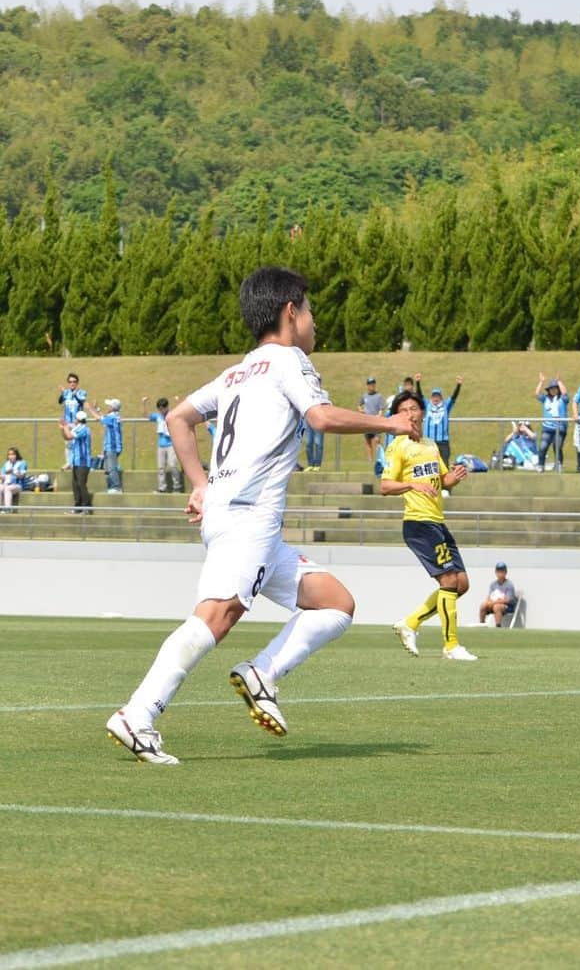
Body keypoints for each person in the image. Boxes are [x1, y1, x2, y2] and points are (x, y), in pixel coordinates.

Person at [105, 266, 414, 764]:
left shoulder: (237, 372)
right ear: (290, 312)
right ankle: (138, 715)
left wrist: (201, 485)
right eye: (309, 310)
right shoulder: (288, 360)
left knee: (335, 604)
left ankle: (263, 673)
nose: (314, 321)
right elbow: (320, 417)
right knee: (218, 615)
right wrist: (392, 422)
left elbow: (178, 418)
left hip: (246, 520)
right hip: (247, 517)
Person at [383, 390, 476, 661]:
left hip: (437, 520)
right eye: (404, 410)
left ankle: (410, 623)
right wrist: (411, 484)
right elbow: (385, 486)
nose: (410, 414)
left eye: (414, 408)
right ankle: (451, 646)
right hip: (418, 522)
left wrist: (454, 477)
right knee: (448, 580)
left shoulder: (431, 445)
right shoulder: (398, 445)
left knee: (461, 584)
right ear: (397, 417)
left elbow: (443, 480)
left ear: (422, 412)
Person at [142, 395, 183, 493]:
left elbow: (181, 413)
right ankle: (162, 487)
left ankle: (177, 486)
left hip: (171, 444)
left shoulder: (172, 415)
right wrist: (143, 403)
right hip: (161, 445)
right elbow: (146, 415)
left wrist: (178, 401)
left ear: (167, 407)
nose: (161, 411)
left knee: (172, 465)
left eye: (163, 408)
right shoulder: (158, 416)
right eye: (159, 409)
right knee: (160, 467)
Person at [58, 410, 93, 514]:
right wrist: (62, 429)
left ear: (78, 419)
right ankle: (78, 507)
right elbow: (66, 437)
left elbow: (69, 436)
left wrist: (65, 426)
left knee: (81, 484)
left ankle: (86, 507)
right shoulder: (77, 428)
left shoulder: (83, 429)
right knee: (75, 485)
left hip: (83, 462)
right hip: (76, 462)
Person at [422, 378, 462, 466]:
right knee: (428, 464)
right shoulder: (427, 405)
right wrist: (417, 382)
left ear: (441, 398)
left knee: (444, 464)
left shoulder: (446, 406)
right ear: (431, 397)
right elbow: (419, 395)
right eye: (434, 396)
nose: (436, 398)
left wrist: (458, 385)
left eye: (438, 396)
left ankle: (444, 480)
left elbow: (453, 397)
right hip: (429, 441)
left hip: (443, 441)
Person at [535, 375, 569, 471]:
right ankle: (541, 465)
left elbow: (565, 393)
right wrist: (541, 382)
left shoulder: (562, 399)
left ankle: (558, 464)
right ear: (548, 390)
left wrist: (559, 382)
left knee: (557, 446)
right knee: (543, 446)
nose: (553, 390)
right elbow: (537, 394)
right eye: (551, 389)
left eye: (555, 388)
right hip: (547, 427)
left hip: (560, 427)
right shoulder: (545, 399)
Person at [92, 398, 124, 493]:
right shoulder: (114, 416)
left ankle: (116, 487)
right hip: (111, 446)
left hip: (112, 446)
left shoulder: (112, 417)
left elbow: (99, 418)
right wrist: (97, 409)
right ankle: (111, 487)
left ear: (113, 408)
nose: (108, 407)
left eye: (109, 406)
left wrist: (90, 409)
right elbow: (104, 417)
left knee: (111, 468)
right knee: (108, 468)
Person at [58, 372, 87, 469]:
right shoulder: (66, 392)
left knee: (76, 443)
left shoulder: (81, 392)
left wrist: (75, 394)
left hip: (76, 422)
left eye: (74, 381)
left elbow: (81, 401)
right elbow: (60, 401)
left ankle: (75, 462)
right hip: (67, 421)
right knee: (67, 444)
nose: (72, 383)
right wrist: (62, 393)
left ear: (77, 382)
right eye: (70, 381)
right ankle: (68, 463)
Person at [478, 561, 517, 627]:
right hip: (493, 603)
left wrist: (494, 602)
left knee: (497, 607)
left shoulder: (509, 585)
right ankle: (482, 624)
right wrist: (488, 601)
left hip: (507, 606)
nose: (500, 573)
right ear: (496, 572)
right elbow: (490, 596)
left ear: (505, 572)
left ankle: (498, 626)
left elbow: (508, 600)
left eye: (502, 571)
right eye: (498, 571)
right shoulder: (493, 584)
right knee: (483, 605)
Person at [358, 377, 385, 466]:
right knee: (368, 441)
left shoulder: (379, 396)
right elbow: (359, 405)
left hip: (376, 422)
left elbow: (381, 409)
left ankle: (379, 459)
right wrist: (361, 411)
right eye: (370, 384)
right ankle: (370, 460)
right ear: (367, 386)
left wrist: (379, 415)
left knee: (377, 440)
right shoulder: (364, 396)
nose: (371, 386)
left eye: (373, 384)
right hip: (367, 422)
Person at [1, 447, 29, 513]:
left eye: (13, 454)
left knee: (8, 488)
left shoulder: (22, 463)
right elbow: (2, 474)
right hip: (6, 483)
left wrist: (13, 472)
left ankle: (7, 509)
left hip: (18, 485)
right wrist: (2, 476)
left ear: (17, 455)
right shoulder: (6, 463)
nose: (11, 456)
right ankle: (1, 508)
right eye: (9, 454)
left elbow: (22, 476)